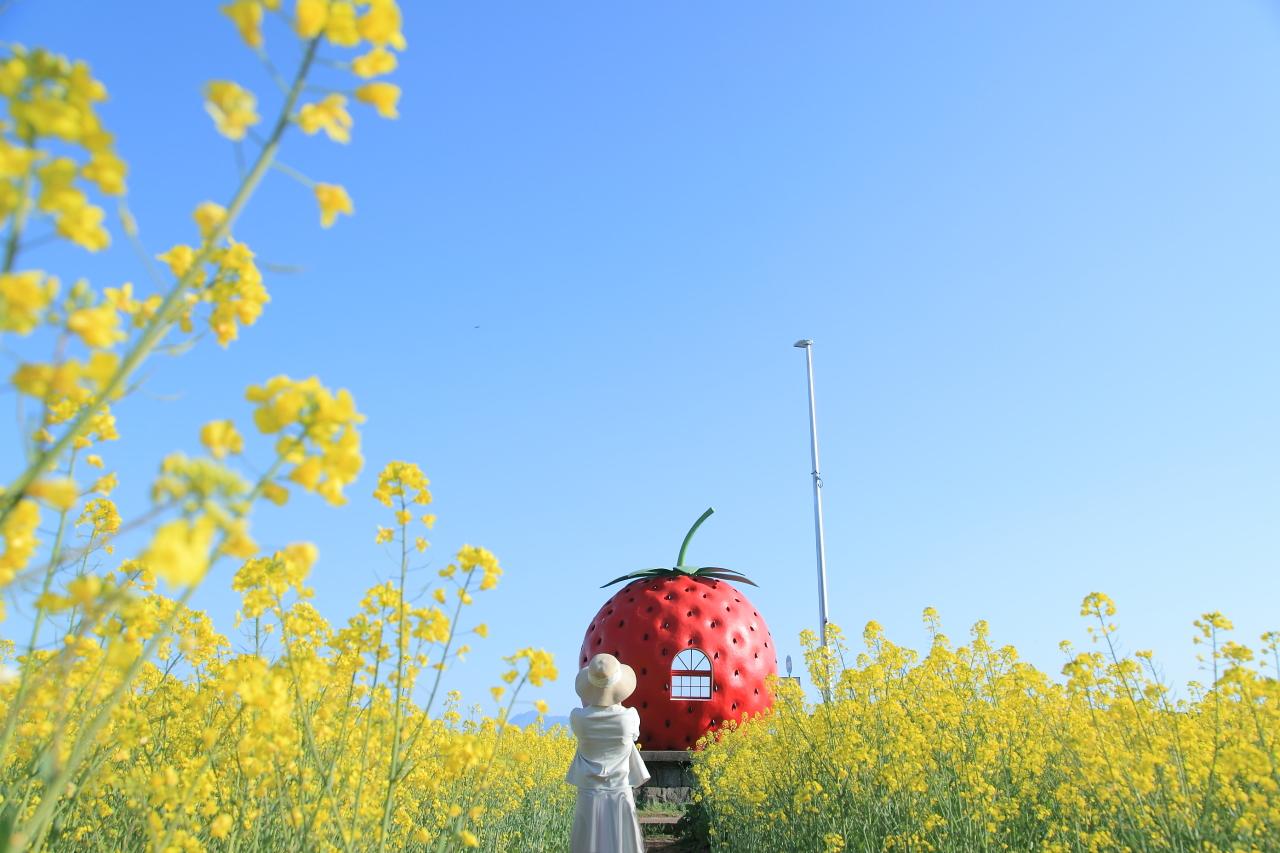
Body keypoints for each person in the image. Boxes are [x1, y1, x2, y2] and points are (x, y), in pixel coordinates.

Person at [565, 653, 651, 852]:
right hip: (620, 792)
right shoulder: (629, 718)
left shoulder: (578, 718)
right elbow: (633, 735)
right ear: (618, 688)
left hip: (588, 793)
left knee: (588, 844)